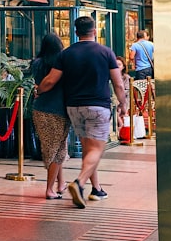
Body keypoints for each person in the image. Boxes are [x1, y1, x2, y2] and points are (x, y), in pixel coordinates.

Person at [37, 15, 128, 209]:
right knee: (97, 148)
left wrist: (39, 90)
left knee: (89, 148)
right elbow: (118, 83)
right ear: (94, 31)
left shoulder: (66, 54)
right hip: (98, 106)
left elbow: (51, 80)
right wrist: (123, 104)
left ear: (76, 32)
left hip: (74, 108)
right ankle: (79, 183)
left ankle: (96, 188)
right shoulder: (106, 52)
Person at [30, 33, 71, 200]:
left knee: (56, 148)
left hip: (40, 108)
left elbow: (38, 83)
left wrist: (37, 90)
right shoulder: (61, 63)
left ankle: (60, 183)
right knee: (56, 150)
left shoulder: (37, 63)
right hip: (58, 109)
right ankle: (49, 189)